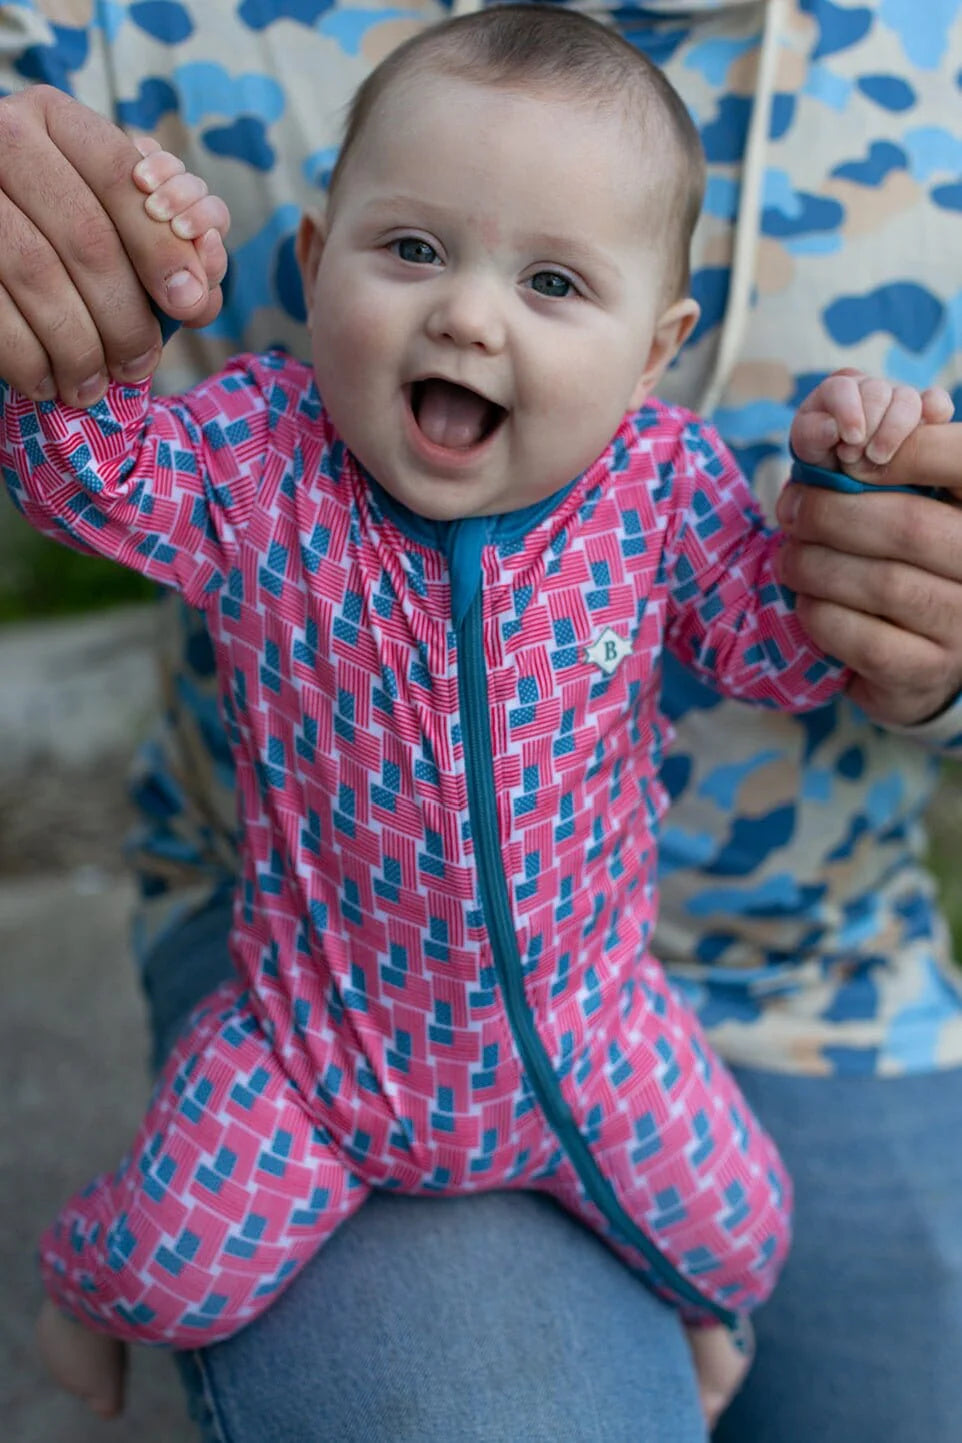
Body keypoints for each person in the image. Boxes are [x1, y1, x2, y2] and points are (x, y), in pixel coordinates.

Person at [2, 3, 961, 1441]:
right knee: (169, 1252)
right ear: (315, 266)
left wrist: (851, 519)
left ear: (654, 351)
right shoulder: (261, 463)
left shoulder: (657, 491)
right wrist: (81, 346)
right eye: (410, 251)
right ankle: (87, 1309)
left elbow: (774, 643)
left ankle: (696, 1319)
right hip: (315, 1038)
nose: (467, 313)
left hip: (599, 1026)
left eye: (555, 284)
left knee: (743, 1228)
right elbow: (89, 477)